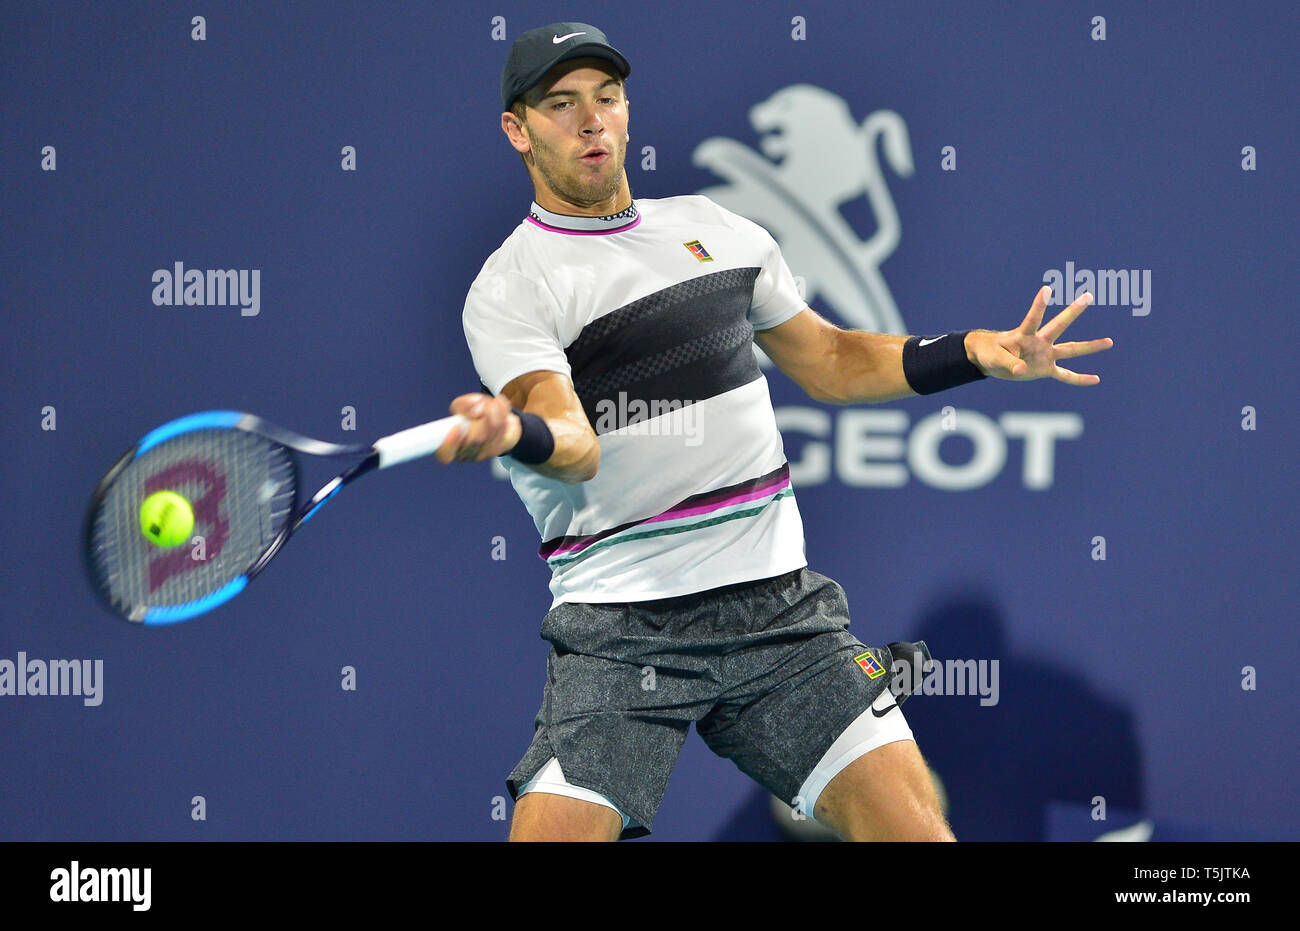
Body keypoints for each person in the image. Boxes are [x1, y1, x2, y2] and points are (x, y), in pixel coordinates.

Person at [436, 22, 1113, 842]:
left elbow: (829, 358)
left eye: (606, 99)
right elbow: (573, 442)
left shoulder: (717, 231)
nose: (591, 122)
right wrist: (522, 431)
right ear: (518, 129)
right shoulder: (512, 286)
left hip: (778, 610)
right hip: (622, 628)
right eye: (562, 104)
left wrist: (973, 351)